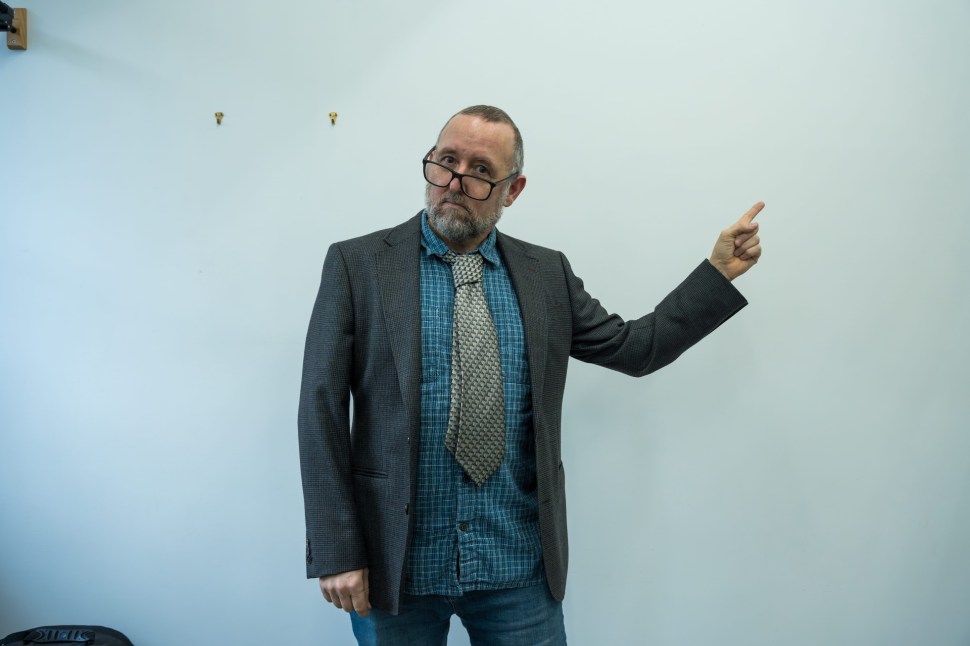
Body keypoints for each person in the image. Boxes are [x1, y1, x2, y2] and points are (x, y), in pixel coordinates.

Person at [298, 105, 764, 645]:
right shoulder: (358, 265)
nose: (455, 180)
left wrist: (717, 274)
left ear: (512, 190)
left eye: (479, 170)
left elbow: (636, 349)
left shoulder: (547, 275)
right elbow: (320, 409)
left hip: (517, 566)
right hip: (394, 564)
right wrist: (337, 549)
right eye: (446, 160)